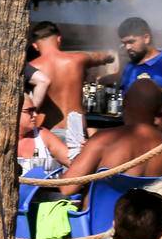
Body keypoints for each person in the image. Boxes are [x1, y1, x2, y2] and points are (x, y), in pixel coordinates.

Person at [60, 79, 162, 184]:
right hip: (151, 207)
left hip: (101, 208)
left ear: (124, 103)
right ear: (158, 109)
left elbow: (68, 188)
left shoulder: (104, 139)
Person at [29, 21, 113, 151]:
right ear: (59, 39)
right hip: (76, 129)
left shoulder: (32, 68)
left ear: (35, 46)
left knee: (48, 170)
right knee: (77, 170)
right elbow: (101, 57)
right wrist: (110, 56)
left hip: (47, 131)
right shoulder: (77, 59)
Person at [117, 16, 162, 98]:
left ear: (146, 38)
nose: (127, 47)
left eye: (131, 42)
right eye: (124, 43)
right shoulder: (130, 66)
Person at [17, 93, 70, 175]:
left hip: (47, 187)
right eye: (29, 111)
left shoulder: (42, 135)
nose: (35, 115)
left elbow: (72, 161)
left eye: (34, 110)